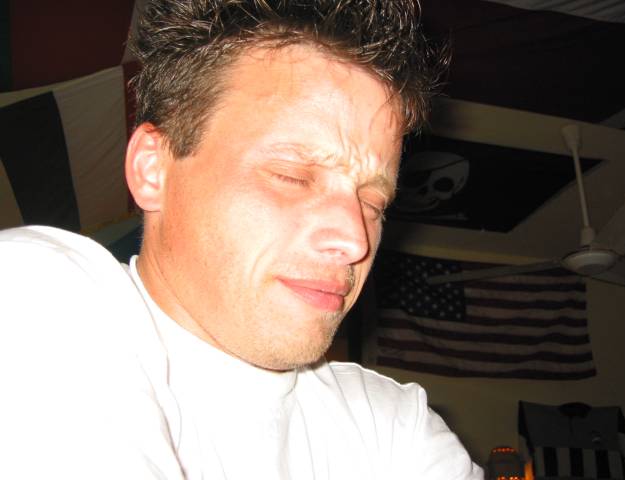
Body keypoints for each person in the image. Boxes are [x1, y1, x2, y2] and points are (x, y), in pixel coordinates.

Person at [0, 1, 483, 479]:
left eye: (373, 203)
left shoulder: (393, 425)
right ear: (153, 169)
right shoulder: (39, 291)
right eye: (292, 175)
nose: (355, 239)